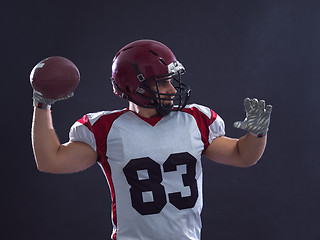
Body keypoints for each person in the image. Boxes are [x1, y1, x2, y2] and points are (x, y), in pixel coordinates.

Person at [31, 39, 272, 240]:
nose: (173, 89)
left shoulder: (195, 120)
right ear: (136, 87)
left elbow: (243, 155)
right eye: (163, 82)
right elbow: (51, 161)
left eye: (171, 80)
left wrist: (258, 133)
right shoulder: (106, 128)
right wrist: (42, 104)